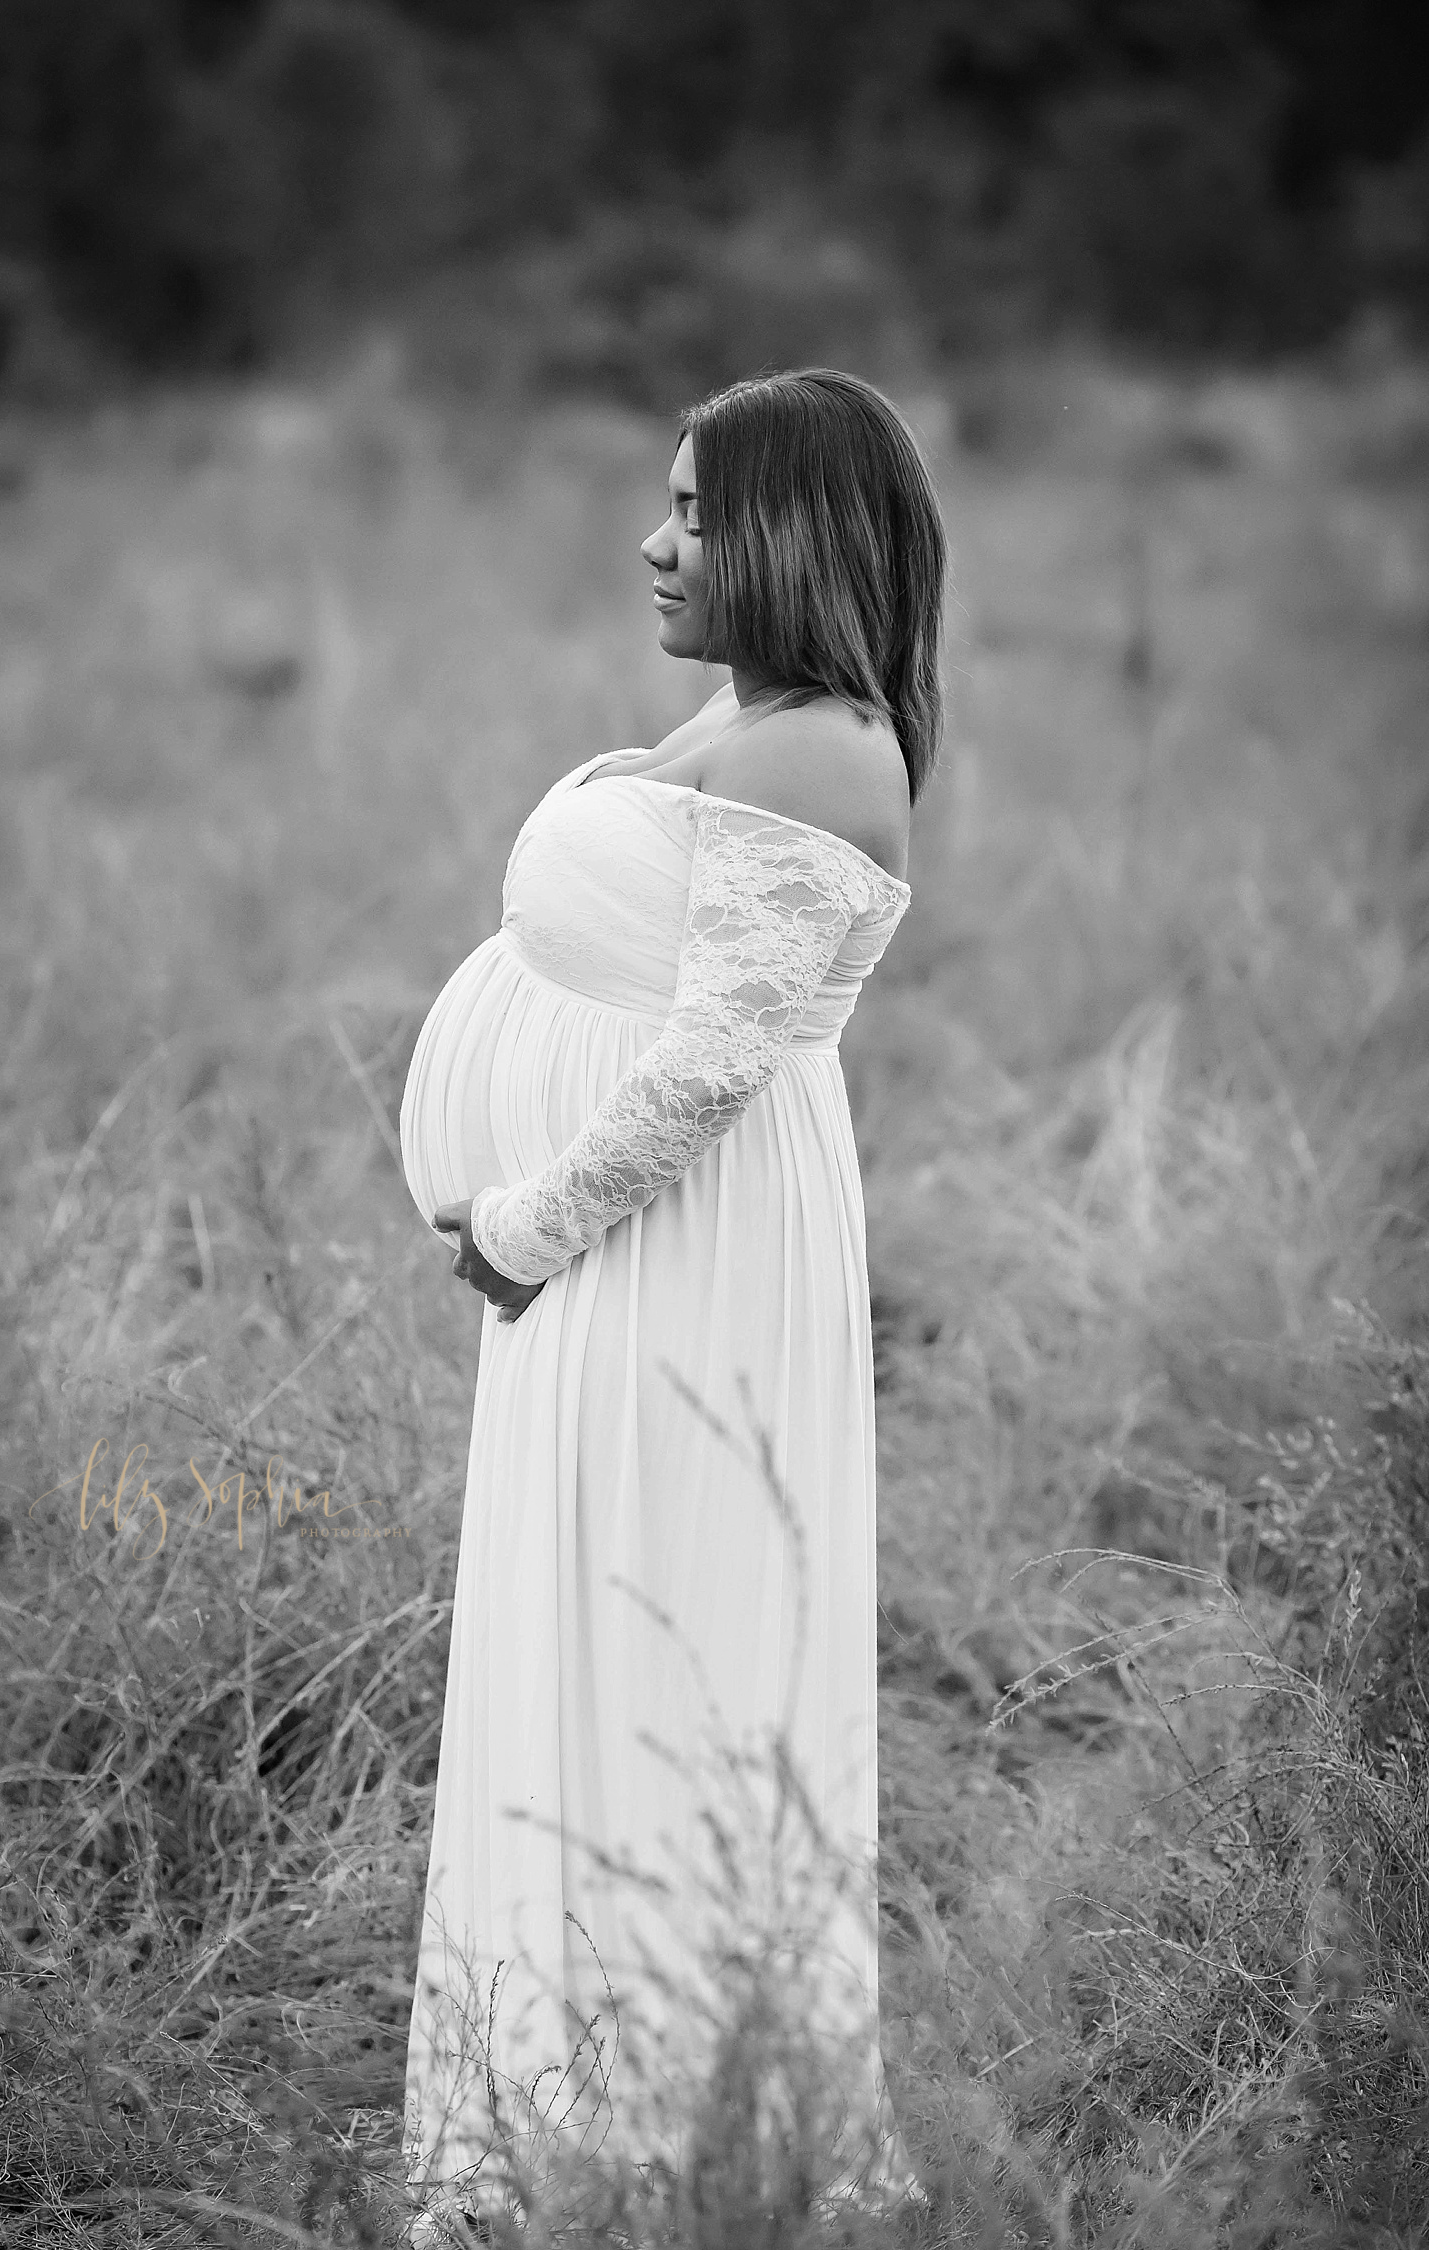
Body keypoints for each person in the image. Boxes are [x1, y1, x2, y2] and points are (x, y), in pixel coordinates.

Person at [398, 368, 946, 2239]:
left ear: (787, 538)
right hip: (622, 1262)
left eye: (696, 513)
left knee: (666, 1648)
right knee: (595, 1632)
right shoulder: (755, 713)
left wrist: (531, 1222)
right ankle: (572, 2108)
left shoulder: (827, 752)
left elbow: (712, 1070)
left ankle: (671, 2135)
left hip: (673, 1263)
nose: (656, 542)